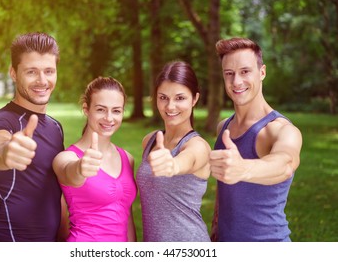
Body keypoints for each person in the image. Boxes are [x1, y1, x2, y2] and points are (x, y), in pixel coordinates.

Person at [209, 37, 303, 242]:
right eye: (229, 74)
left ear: (262, 72)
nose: (236, 82)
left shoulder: (280, 130)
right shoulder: (223, 127)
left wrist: (243, 168)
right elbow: (224, 186)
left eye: (245, 71)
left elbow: (285, 163)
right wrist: (216, 224)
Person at [0, 32, 66, 242]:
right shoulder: (0, 121)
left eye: (49, 71)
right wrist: (7, 151)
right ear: (14, 73)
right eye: (31, 71)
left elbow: (55, 194)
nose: (42, 80)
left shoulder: (55, 127)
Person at [52, 77, 137, 242]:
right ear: (86, 109)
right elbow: (68, 172)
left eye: (116, 111)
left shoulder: (127, 158)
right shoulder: (67, 157)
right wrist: (80, 168)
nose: (109, 118)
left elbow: (127, 217)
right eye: (101, 109)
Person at [136, 60, 211, 242]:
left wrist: (173, 165)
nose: (170, 106)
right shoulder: (150, 140)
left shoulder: (197, 146)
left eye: (180, 98)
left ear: (194, 99)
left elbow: (188, 160)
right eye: (163, 98)